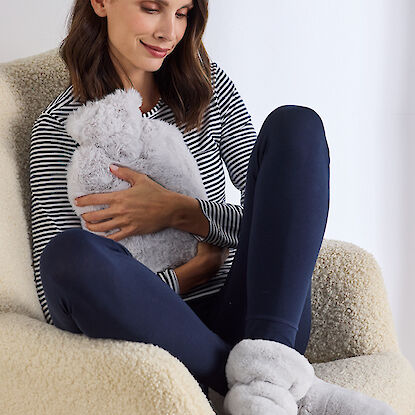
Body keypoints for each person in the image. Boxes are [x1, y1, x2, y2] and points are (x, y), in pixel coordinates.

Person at [31, 1, 395, 414]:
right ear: (101, 2)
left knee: (297, 126)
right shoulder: (58, 129)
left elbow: (275, 220)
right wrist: (186, 277)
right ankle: (273, 388)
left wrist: (182, 212)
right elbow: (55, 296)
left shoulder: (209, 90)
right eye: (153, 8)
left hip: (253, 318)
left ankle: (264, 373)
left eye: (183, 13)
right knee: (69, 256)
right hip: (154, 330)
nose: (170, 31)